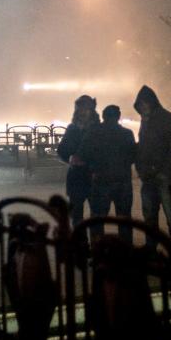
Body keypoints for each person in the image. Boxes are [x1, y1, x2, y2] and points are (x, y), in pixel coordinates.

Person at [79, 105, 136, 242]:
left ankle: (98, 252)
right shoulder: (127, 134)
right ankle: (125, 251)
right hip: (122, 181)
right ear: (118, 116)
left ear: (104, 116)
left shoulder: (93, 132)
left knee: (98, 220)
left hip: (101, 181)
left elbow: (83, 154)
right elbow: (133, 155)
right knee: (124, 219)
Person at [133, 85, 171, 250]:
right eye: (140, 105)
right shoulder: (146, 120)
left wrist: (164, 171)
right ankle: (152, 247)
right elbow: (144, 147)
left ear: (152, 103)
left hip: (165, 177)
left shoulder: (165, 118)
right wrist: (141, 169)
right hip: (149, 176)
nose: (143, 107)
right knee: (150, 216)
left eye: (145, 104)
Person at [57, 94, 100, 230]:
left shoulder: (99, 130)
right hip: (76, 178)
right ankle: (80, 246)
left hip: (94, 178)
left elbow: (104, 153)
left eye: (86, 109)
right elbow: (61, 149)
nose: (83, 113)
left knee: (96, 218)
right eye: (80, 109)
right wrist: (69, 157)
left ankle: (97, 245)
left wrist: (92, 165)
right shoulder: (72, 129)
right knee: (76, 218)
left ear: (92, 111)